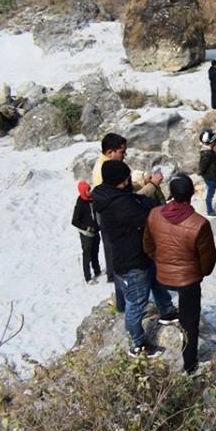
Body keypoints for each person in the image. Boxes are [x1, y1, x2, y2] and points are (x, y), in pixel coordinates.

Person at [92, 160, 179, 359]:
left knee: (156, 282)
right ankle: (137, 345)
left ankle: (167, 311)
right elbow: (146, 217)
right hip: (132, 261)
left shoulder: (108, 194)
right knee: (136, 304)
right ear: (119, 181)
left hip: (136, 254)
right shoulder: (120, 204)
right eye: (127, 178)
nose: (129, 181)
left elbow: (138, 202)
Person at [142, 174, 216, 374]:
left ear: (171, 194)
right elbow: (208, 261)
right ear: (192, 194)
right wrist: (198, 273)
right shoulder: (199, 223)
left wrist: (162, 262)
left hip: (162, 275)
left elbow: (148, 247)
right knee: (189, 322)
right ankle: (190, 365)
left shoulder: (154, 214)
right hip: (188, 280)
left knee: (185, 314)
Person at [92, 133, 128, 309]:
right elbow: (112, 196)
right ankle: (122, 300)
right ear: (110, 152)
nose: (124, 155)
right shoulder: (105, 168)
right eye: (122, 152)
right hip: (112, 216)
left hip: (108, 214)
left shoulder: (105, 164)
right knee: (117, 255)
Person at [71, 180, 102, 284]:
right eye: (88, 190)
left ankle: (97, 271)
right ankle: (88, 277)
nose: (90, 191)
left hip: (96, 232)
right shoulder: (80, 203)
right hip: (86, 235)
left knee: (95, 252)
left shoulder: (92, 199)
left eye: (90, 188)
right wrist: (87, 228)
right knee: (87, 255)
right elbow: (74, 221)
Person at [198, 130, 216, 217]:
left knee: (211, 190)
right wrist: (200, 171)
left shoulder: (206, 151)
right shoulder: (207, 153)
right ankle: (209, 210)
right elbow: (203, 165)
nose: (215, 143)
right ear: (211, 142)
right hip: (210, 176)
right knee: (210, 193)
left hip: (210, 174)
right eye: (214, 141)